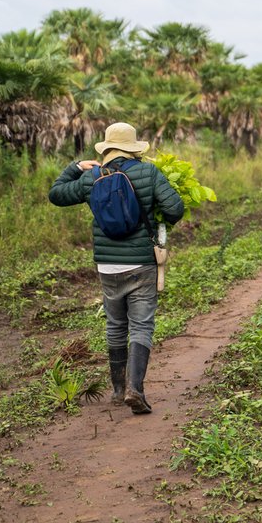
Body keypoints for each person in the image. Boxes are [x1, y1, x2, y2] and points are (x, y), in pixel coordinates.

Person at [48, 122, 184, 414]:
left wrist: (76, 167)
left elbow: (56, 195)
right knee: (141, 325)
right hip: (142, 264)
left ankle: (118, 389)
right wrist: (156, 215)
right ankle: (135, 389)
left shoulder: (92, 177)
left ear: (107, 148)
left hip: (107, 266)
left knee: (115, 325)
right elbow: (175, 208)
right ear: (133, 148)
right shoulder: (149, 173)